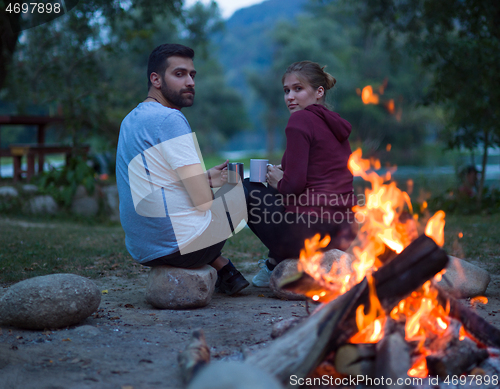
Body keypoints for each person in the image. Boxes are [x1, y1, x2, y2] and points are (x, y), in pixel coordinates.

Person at [116, 43, 249, 295]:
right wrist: (215, 187)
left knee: (197, 204)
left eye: (192, 75)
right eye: (179, 74)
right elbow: (202, 203)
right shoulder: (170, 119)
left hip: (143, 249)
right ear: (155, 79)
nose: (190, 82)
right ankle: (278, 264)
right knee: (249, 189)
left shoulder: (132, 119)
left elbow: (156, 180)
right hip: (183, 248)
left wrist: (203, 178)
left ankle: (225, 269)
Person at [244, 60, 357, 287]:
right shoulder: (334, 125)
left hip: (310, 233)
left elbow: (293, 186)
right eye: (286, 91)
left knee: (246, 188)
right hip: (343, 233)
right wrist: (283, 176)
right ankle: (275, 261)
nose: (290, 97)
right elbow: (320, 175)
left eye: (298, 89)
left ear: (319, 92)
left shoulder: (300, 120)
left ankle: (272, 262)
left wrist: (279, 182)